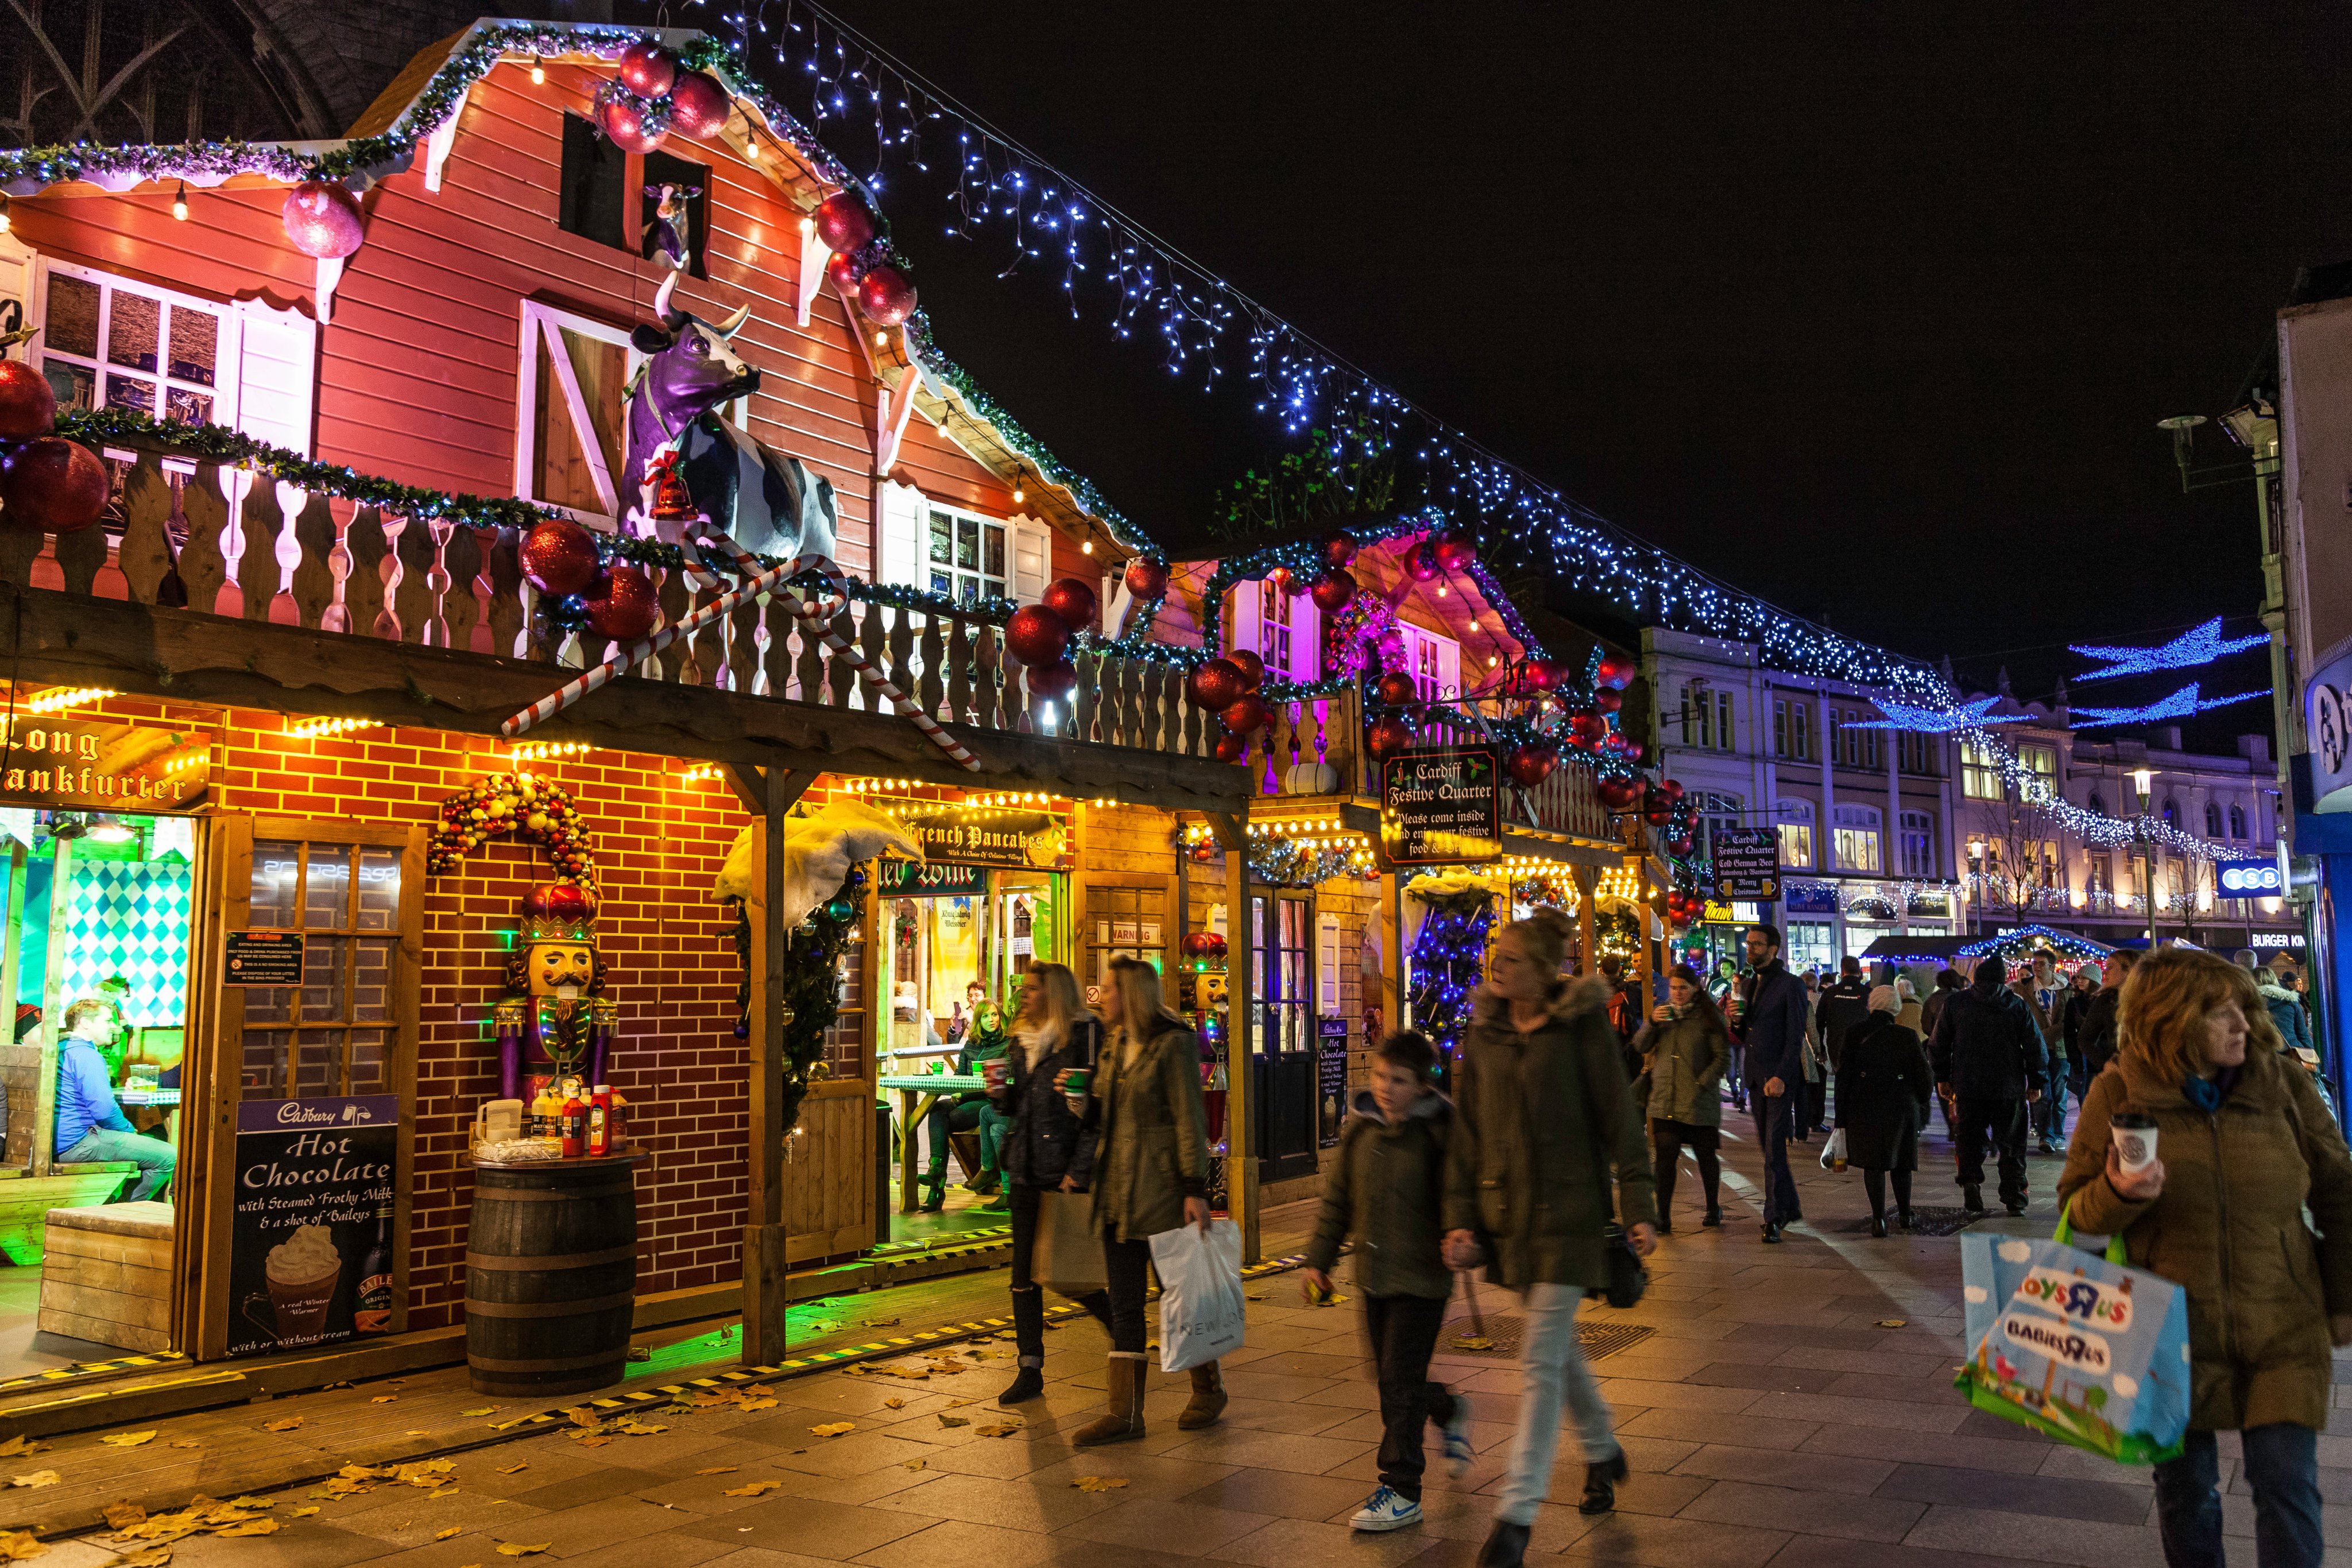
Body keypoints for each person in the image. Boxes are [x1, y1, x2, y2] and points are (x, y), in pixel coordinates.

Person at [2059, 948, 2352, 1568]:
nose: (2244, 1025)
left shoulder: (2284, 1084)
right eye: (2223, 1014)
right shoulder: (2117, 1092)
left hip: (2282, 1325)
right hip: (2166, 1335)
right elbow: (2076, 1219)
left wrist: (2343, 1296)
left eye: (2245, 1010)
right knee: (2188, 1495)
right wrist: (2118, 1194)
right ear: (2171, 1019)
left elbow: (2339, 1192)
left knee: (2287, 1487)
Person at [1443, 910, 1655, 1565]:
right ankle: (1601, 1448)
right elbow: (1466, 1132)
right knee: (1555, 1348)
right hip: (1509, 1215)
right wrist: (1460, 1216)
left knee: (1537, 1358)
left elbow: (1618, 1115)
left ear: (1544, 969)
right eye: (1495, 956)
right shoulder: (1486, 1033)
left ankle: (1516, 1514)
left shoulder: (1579, 1026)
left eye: (1510, 958)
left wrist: (1639, 1200)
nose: (1496, 966)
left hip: (1571, 1211)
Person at [1303, 1031, 1472, 1533]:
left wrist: (1461, 1233)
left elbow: (1459, 1193)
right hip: (1374, 1276)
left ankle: (1401, 1487)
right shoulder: (1362, 1131)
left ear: (1422, 1086)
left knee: (1398, 1380)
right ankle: (1446, 1408)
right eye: (1379, 1075)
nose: (1385, 1087)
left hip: (1421, 1279)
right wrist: (1319, 1260)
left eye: (1398, 1080)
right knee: (1392, 1378)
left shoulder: (1439, 1134)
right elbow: (1338, 1201)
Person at [1066, 955, 1217, 1446]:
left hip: (1161, 1190)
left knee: (1178, 1296)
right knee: (1126, 1303)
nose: (1101, 995)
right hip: (1117, 1192)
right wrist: (1082, 1102)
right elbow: (1106, 1110)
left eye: (1108, 988)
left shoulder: (1173, 1044)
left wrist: (1195, 1189)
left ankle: (1208, 1388)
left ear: (1130, 993)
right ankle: (1125, 1414)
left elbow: (1189, 1119)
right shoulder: (1114, 1042)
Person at [988, 965, 1109, 1404]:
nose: (1024, 994)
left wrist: (1079, 1168)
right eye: (1023, 987)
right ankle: (1030, 1368)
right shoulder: (1021, 1040)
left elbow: (1095, 1108)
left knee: (1069, 1271)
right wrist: (999, 1094)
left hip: (1063, 1167)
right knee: (1023, 1274)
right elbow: (1019, 1105)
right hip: (1025, 1167)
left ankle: (1122, 1331)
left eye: (1033, 988)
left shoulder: (1083, 1034)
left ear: (1053, 993)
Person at [1930, 957, 2048, 1215]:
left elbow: (1938, 1044)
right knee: (2012, 1144)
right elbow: (2035, 1047)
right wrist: (2037, 1081)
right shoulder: (2016, 1005)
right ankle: (2015, 1196)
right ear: (2002, 979)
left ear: (1977, 979)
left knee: (1969, 1138)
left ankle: (1971, 1181)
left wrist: (1943, 1077)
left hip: (1968, 1085)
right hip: (2008, 1086)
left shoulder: (1955, 1004)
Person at [1634, 964, 1730, 1232]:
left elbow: (1723, 1057)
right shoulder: (1663, 1013)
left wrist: (1702, 1082)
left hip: (1698, 1101)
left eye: (1682, 988)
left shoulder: (1710, 1016)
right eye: (1673, 988)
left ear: (1695, 988)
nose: (1676, 993)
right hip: (1665, 1098)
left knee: (1705, 1155)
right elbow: (1641, 1046)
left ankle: (1713, 1206)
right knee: (1665, 1157)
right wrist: (1652, 1022)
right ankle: (1662, 1216)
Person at [1728, 923, 1809, 1241]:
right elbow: (1746, 1030)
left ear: (1773, 949)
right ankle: (1790, 1204)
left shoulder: (1791, 986)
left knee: (1775, 1147)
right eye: (1748, 944)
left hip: (1778, 1078)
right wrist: (1736, 1020)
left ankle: (1774, 1218)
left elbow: (1795, 1037)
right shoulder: (1748, 985)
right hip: (1755, 1075)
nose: (1749, 949)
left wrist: (1781, 1075)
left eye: (1757, 945)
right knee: (1768, 1146)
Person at [1834, 985, 1935, 1236]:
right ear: (1896, 1008)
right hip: (1900, 1107)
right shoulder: (1907, 1036)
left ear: (1871, 1005)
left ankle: (1878, 1219)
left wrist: (1841, 1117)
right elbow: (1924, 1078)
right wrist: (1921, 1104)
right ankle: (1904, 1215)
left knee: (1873, 1165)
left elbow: (1843, 1078)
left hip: (1864, 1107)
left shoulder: (1854, 1034)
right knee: (1901, 1163)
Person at [54, 999, 174, 1202]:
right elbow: (103, 1110)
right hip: (77, 1142)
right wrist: (127, 1130)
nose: (114, 1026)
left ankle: (115, 1202)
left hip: (59, 1141)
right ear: (85, 1023)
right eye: (108, 1020)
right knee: (168, 1155)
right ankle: (127, 1210)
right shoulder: (86, 1055)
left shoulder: (61, 1047)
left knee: (148, 1143)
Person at [2013, 952, 2069, 1154]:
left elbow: (2066, 1021)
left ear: (2052, 966)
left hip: (2060, 1048)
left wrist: (2041, 1038)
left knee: (2059, 1094)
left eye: (2041, 964)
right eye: (2034, 963)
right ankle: (2046, 1136)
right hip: (2035, 1050)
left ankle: (2059, 1135)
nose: (2036, 967)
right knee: (2042, 1094)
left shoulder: (2065, 990)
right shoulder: (2024, 988)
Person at [1813, 957, 1871, 1135]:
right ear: (1860, 971)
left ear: (1842, 971)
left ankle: (1841, 1126)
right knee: (1862, 1087)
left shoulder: (1830, 994)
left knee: (1842, 1086)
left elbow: (1818, 1024)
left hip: (1837, 1048)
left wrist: (1821, 1050)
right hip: (1864, 1048)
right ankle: (1861, 1125)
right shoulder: (1869, 993)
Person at [2077, 950, 2136, 1085]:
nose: (2105, 972)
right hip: (2120, 1074)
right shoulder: (2105, 1002)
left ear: (2128, 970)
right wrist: (2106, 1065)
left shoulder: (2150, 997)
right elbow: (2084, 1038)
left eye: (2110, 967)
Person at [2061, 963, 2100, 1106]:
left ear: (2094, 980)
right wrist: (2073, 1059)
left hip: (2101, 1056)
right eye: (2078, 977)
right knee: (2086, 1098)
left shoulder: (2103, 1001)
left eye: (2085, 978)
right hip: (2083, 1059)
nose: (2080, 981)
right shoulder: (2074, 1003)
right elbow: (2068, 1033)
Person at [2258, 965, 2316, 1058]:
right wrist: (2313, 1063)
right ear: (2275, 981)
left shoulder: (2249, 1006)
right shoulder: (2290, 1001)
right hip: (2293, 1056)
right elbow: (2303, 1035)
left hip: (2264, 1059)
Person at [1712, 958, 1747, 1110]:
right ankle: (1734, 1091)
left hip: (1745, 1040)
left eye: (1738, 984)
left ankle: (1742, 1098)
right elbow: (1715, 1011)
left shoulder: (1749, 999)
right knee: (1731, 1073)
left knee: (1745, 1071)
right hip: (1729, 1039)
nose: (1735, 986)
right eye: (1733, 983)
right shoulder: (1726, 998)